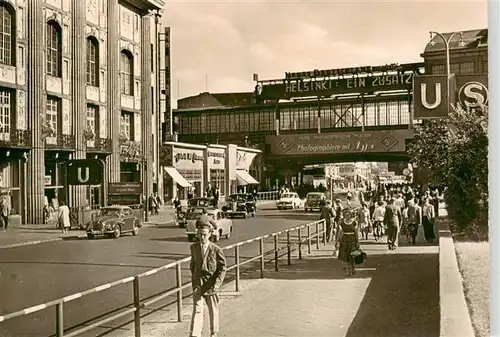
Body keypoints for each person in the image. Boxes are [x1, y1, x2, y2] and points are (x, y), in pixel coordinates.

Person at [189, 224, 227, 337]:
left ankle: (213, 333)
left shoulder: (216, 249)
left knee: (213, 310)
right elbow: (193, 264)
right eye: (199, 234)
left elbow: (223, 267)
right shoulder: (194, 247)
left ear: (210, 234)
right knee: (197, 309)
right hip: (198, 284)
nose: (202, 237)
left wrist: (217, 283)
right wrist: (195, 278)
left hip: (211, 284)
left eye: (204, 235)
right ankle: (195, 334)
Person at [335, 210, 359, 276]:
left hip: (352, 240)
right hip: (344, 240)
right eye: (345, 215)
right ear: (344, 215)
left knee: (352, 255)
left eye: (348, 215)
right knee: (345, 257)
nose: (347, 216)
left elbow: (356, 233)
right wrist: (337, 242)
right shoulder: (342, 223)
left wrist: (357, 241)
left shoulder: (354, 223)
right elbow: (339, 233)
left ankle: (353, 268)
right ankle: (348, 271)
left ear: (351, 215)